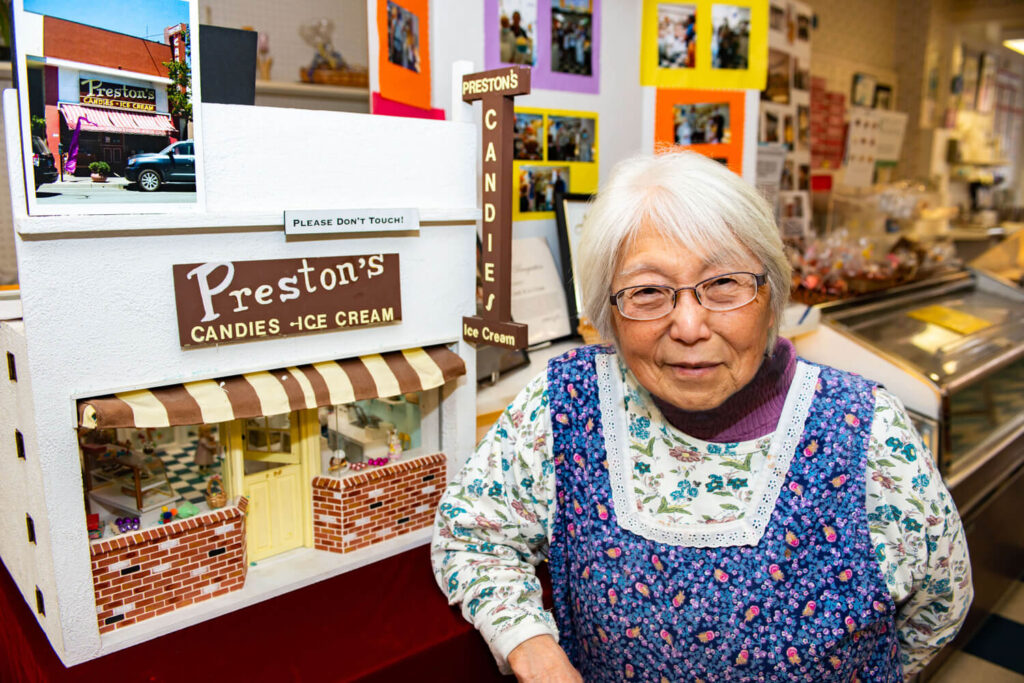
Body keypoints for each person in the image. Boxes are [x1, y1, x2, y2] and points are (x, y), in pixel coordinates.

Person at [432, 151, 972, 682]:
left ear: (771, 294)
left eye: (723, 285)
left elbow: (935, 613)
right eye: (647, 292)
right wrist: (531, 647)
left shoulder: (866, 431)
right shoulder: (567, 405)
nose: (689, 326)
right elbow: (472, 532)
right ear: (608, 315)